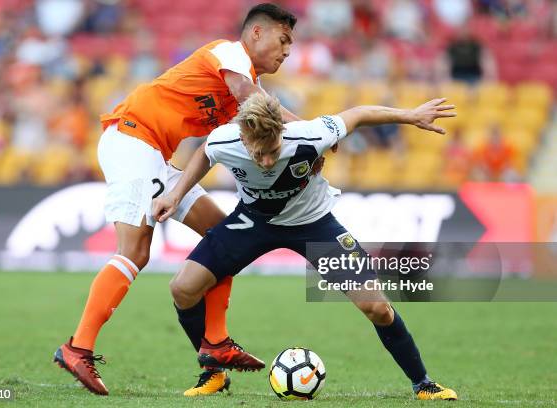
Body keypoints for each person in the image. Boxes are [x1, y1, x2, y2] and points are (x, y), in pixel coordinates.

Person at [53, 3, 301, 396]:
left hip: (155, 153)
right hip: (134, 138)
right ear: (256, 33)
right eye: (283, 39)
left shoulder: (244, 84)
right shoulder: (231, 56)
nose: (287, 50)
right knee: (134, 252)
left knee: (224, 237)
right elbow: (252, 99)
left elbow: (227, 140)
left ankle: (216, 344)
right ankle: (77, 348)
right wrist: (313, 132)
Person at [152, 92, 459, 400]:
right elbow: (205, 153)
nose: (269, 161)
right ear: (244, 138)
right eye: (260, 155)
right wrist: (175, 195)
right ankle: (214, 374)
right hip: (253, 223)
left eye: (274, 150)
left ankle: (423, 384)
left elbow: (359, 113)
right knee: (183, 288)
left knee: (377, 307)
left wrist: (411, 115)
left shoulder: (311, 134)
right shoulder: (225, 140)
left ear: (282, 131)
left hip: (314, 225)